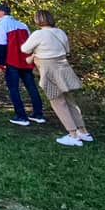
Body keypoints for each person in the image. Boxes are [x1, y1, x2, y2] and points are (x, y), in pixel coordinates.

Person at [21, 11, 92, 147]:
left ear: (38, 20)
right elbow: (67, 49)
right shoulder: (60, 32)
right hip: (63, 66)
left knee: (58, 102)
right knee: (70, 101)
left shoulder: (38, 34)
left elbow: (25, 49)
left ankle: (72, 134)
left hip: (49, 69)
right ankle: (83, 131)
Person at [0, 3, 45, 126]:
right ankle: (38, 113)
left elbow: (1, 45)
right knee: (31, 86)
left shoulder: (1, 25)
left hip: (11, 61)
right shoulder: (22, 24)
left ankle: (21, 115)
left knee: (13, 88)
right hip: (25, 60)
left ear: (1, 12)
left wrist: (1, 63)